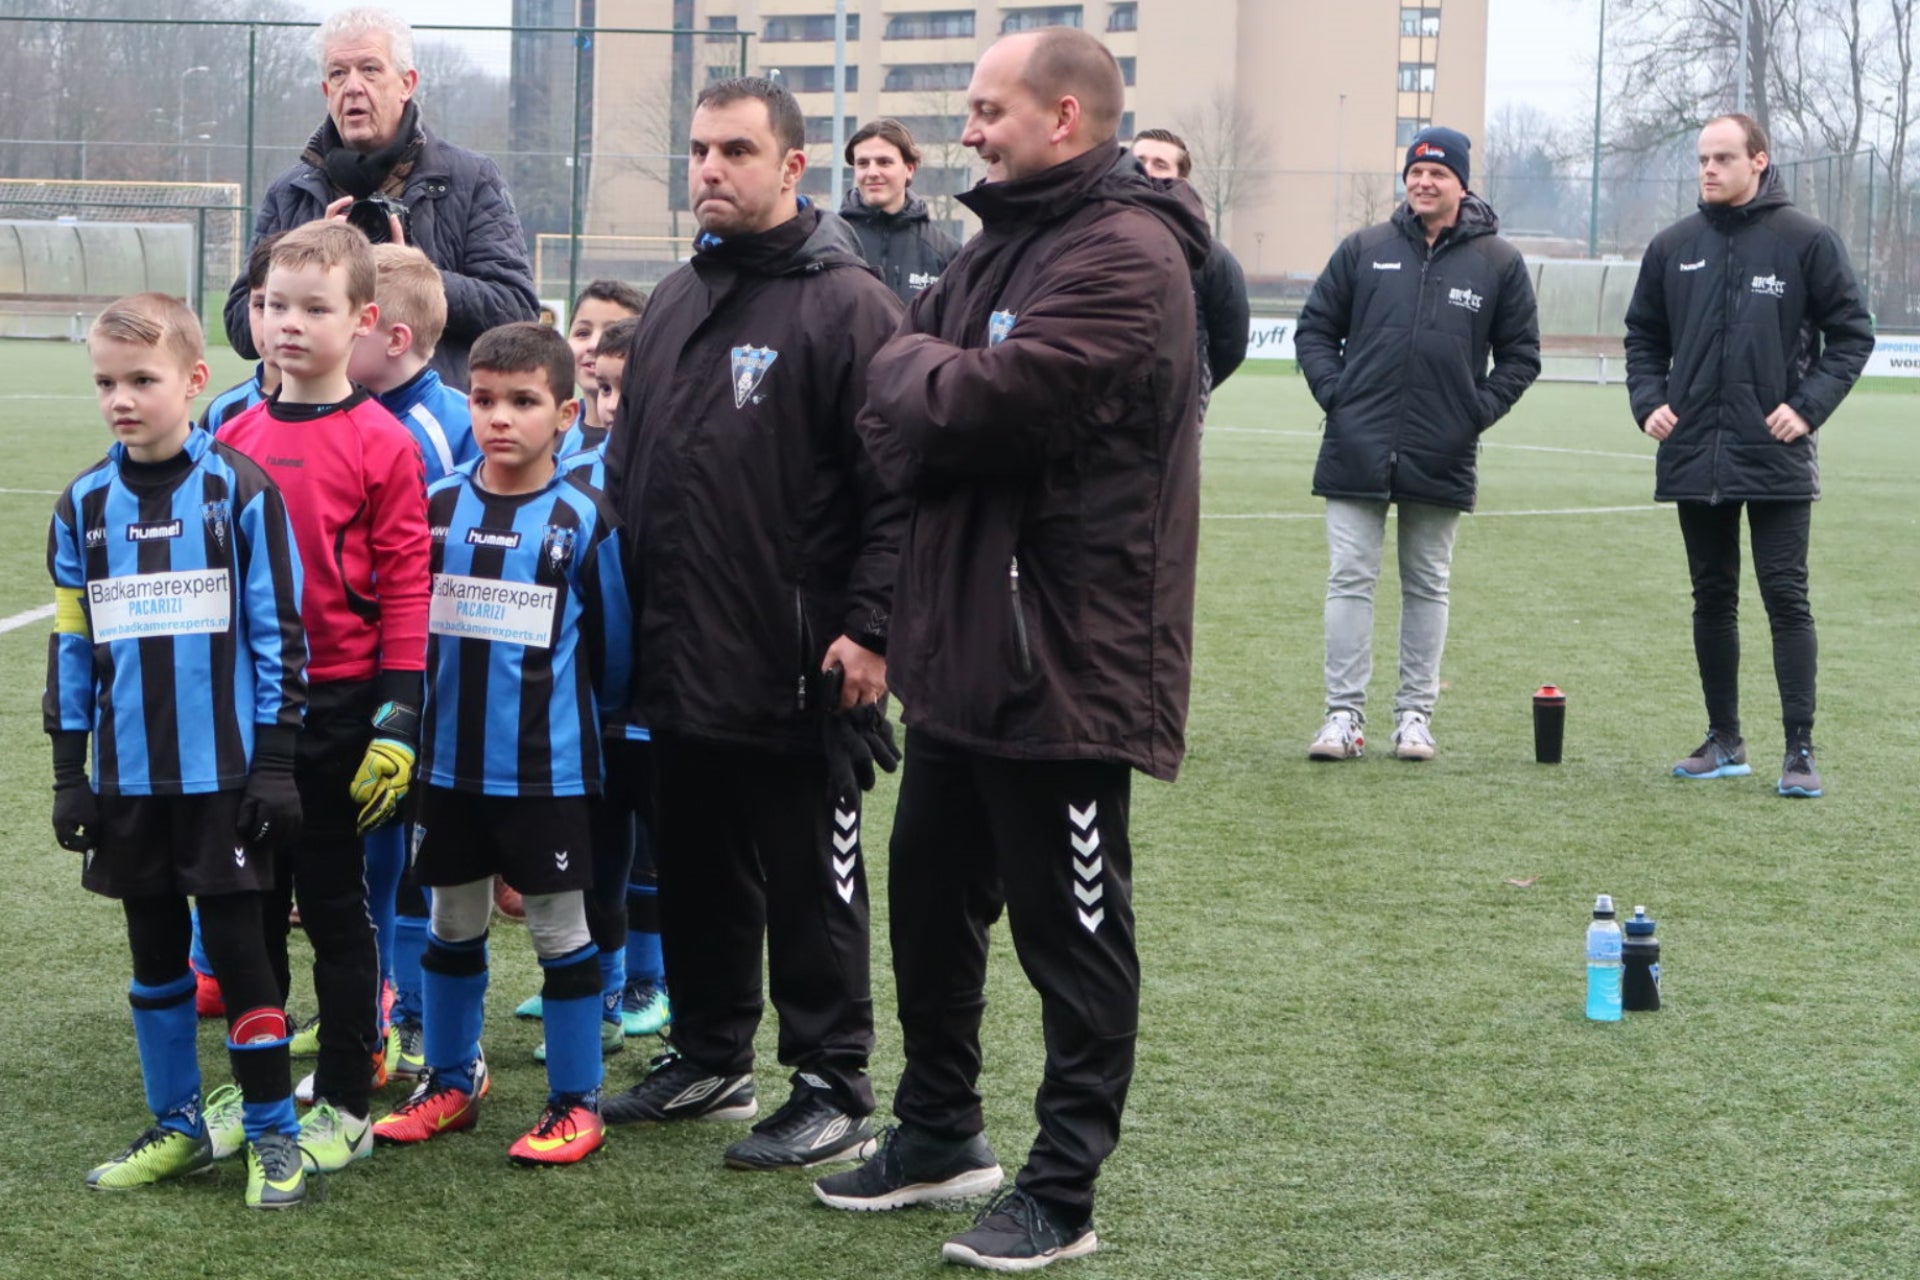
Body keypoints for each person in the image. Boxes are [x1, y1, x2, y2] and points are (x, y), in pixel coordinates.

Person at [813, 28, 1208, 1272]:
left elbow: (992, 403)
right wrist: (931, 382)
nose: (970, 129)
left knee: (1071, 931)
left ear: (1066, 116)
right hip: (965, 645)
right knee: (932, 901)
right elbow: (902, 389)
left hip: (1067, 662)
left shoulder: (1129, 252)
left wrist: (929, 382)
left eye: (989, 108)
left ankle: (1063, 1187)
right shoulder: (999, 243)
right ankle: (939, 1130)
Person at [601, 75, 905, 1171]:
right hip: (679, 654)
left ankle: (832, 1081)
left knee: (812, 883)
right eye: (699, 150)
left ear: (792, 166)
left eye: (735, 150)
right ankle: (711, 1053)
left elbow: (897, 489)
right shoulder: (677, 296)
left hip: (798, 663)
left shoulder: (849, 304)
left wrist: (871, 629)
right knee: (696, 868)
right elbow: (628, 470)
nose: (710, 169)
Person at [49, 293, 309, 1209]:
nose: (121, 399)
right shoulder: (82, 505)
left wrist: (274, 762)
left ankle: (274, 1135)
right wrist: (69, 774)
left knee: (240, 956)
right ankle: (178, 1125)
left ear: (195, 381)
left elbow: (281, 637)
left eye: (141, 380)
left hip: (223, 779)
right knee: (154, 957)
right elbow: (72, 646)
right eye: (105, 383)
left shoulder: (240, 491)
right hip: (128, 778)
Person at [370, 322, 631, 1166]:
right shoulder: (436, 506)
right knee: (451, 924)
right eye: (484, 400)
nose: (500, 418)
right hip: (446, 769)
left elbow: (615, 654)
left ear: (566, 414)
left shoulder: (584, 518)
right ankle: (450, 1083)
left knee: (559, 934)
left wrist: (596, 742)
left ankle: (576, 1104)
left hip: (548, 773)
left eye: (523, 402)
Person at [218, 221, 431, 1176]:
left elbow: (407, 588)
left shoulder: (383, 441)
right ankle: (260, 1090)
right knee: (250, 909)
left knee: (336, 908)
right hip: (248, 713)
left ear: (363, 321)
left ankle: (344, 1099)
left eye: (314, 307)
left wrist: (399, 715)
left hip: (340, 708)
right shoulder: (231, 435)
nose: (288, 324)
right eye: (274, 305)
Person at [1624, 113, 1872, 798]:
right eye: (1703, 159)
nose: (1709, 169)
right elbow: (1642, 336)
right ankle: (1724, 740)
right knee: (1712, 597)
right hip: (1694, 451)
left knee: (1786, 597)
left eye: (1723, 158)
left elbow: (1852, 334)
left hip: (1775, 453)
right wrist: (1648, 400)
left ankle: (1800, 750)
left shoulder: (1806, 240)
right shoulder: (1673, 246)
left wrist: (1808, 407)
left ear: (1758, 161)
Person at [1294, 125, 1540, 763]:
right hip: (1356, 443)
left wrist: (1472, 413)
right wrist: (1338, 397)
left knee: (1428, 583)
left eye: (1438, 173)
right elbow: (1315, 328)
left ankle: (1414, 717)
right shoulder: (1364, 248)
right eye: (1416, 172)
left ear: (1462, 184)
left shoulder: (1498, 262)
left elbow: (1521, 356)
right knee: (1350, 578)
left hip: (1442, 449)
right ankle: (1343, 716)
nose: (1424, 182)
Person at [222, 7, 537, 387]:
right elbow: (240, 325)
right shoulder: (291, 191)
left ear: (406, 84)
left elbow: (516, 310)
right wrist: (307, 264)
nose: (353, 86)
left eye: (370, 69)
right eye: (338, 73)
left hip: (427, 411)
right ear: (326, 91)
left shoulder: (470, 180)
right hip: (316, 412)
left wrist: (414, 275)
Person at [520, 315, 672, 1052]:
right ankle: (605, 992)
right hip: (590, 710)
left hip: (670, 702)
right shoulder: (573, 476)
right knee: (598, 855)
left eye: (626, 391)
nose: (612, 406)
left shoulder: (686, 471)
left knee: (664, 853)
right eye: (602, 389)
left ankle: (657, 984)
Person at [1129, 128, 1251, 402]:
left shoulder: (1212, 258)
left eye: (1160, 165)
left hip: (1173, 410)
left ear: (1182, 180)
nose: (1147, 171)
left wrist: (1188, 385)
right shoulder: (1093, 238)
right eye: (1140, 161)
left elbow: (1231, 344)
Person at [840, 118, 963, 307]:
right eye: (863, 163)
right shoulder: (832, 244)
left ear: (909, 169)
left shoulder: (946, 252)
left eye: (884, 162)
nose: (872, 172)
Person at [202, 233, 288, 437]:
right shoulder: (223, 412)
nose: (274, 322)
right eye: (261, 305)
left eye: (313, 309)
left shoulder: (359, 415)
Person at [555, 280, 646, 460]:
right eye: (583, 333)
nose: (594, 345)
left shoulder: (652, 444)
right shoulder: (549, 437)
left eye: (612, 333)